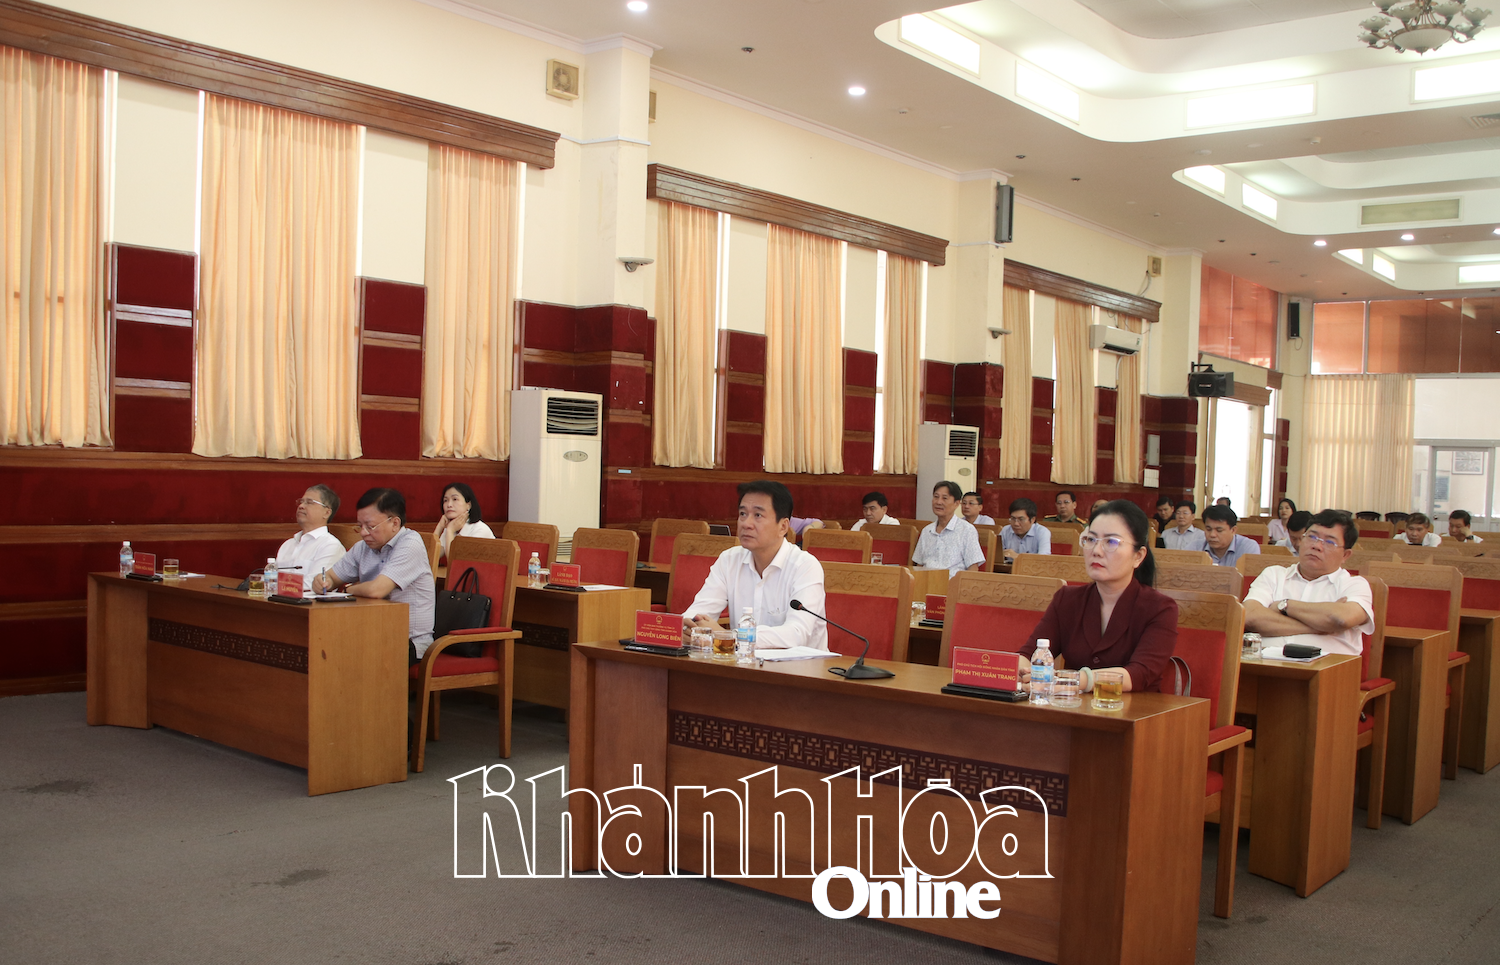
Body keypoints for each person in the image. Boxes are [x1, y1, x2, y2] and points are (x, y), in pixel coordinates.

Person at [1019, 500, 1178, 693]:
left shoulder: (1160, 608)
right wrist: (1019, 672)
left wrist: (1072, 680)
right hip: (1073, 707)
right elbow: (1029, 654)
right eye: (1091, 540)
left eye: (1111, 542)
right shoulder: (1067, 599)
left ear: (1138, 556)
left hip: (1134, 708)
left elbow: (1139, 673)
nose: (1096, 551)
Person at [682, 480, 827, 650]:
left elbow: (797, 633)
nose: (746, 523)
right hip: (743, 662)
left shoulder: (805, 567)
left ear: (783, 527)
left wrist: (729, 636)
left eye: (758, 515)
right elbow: (699, 611)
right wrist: (689, 628)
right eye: (743, 514)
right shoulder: (729, 560)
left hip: (800, 665)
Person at [313, 488, 435, 665]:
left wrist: (349, 589)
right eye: (360, 526)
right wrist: (322, 581)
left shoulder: (410, 543)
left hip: (408, 643)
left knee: (341, 656)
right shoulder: (363, 547)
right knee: (323, 647)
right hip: (372, 633)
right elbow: (331, 577)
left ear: (395, 523)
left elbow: (377, 590)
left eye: (370, 526)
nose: (363, 533)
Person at [1243, 509, 1375, 658]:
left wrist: (1285, 605)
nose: (1316, 546)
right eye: (1312, 537)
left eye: (1329, 542)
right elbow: (1250, 617)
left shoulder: (1354, 585)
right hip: (1265, 663)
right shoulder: (1273, 575)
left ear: (1345, 555)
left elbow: (1342, 618)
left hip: (1328, 667)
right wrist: (1321, 627)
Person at [912, 480, 986, 577]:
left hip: (952, 583)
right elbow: (919, 565)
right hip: (926, 583)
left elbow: (973, 569)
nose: (939, 502)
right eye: (936, 497)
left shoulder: (967, 530)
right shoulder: (927, 531)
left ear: (956, 503)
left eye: (945, 498)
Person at [274, 484, 345, 581]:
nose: (301, 506)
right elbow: (272, 579)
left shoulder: (330, 546)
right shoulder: (287, 545)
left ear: (326, 513)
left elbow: (314, 584)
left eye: (309, 502)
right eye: (301, 502)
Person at [433, 482, 494, 561]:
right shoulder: (452, 527)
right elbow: (430, 557)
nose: (449, 505)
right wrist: (439, 527)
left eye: (455, 499)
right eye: (445, 500)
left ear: (468, 505)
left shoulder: (480, 529)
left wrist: (450, 531)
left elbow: (455, 563)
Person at [1196, 505, 1260, 566]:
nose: (1212, 535)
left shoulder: (1248, 548)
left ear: (1233, 530)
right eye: (1208, 529)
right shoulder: (1195, 547)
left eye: (1219, 530)